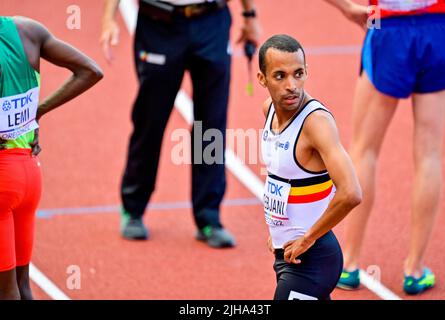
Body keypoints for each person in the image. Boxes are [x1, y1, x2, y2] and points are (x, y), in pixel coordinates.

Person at [100, 0, 261, 247]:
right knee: (150, 119)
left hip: (212, 22)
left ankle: (208, 216)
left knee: (211, 124)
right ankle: (133, 208)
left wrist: (249, 16)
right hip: (159, 24)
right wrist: (108, 19)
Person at [324, 0, 445, 294]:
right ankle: (415, 269)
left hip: (387, 24)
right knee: (430, 154)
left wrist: (345, 8)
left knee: (365, 149)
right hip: (439, 26)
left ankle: (349, 263)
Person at [0, 16, 103, 300]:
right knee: (22, 285)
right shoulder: (28, 31)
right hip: (29, 174)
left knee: (5, 291)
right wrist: (38, 112)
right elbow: (91, 71)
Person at [257, 34, 362, 300]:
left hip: (313, 260)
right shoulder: (269, 109)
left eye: (298, 73)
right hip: (287, 254)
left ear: (307, 72)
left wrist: (307, 238)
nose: (292, 85)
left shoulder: (316, 124)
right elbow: (284, 179)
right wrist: (279, 230)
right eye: (280, 76)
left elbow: (351, 193)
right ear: (262, 79)